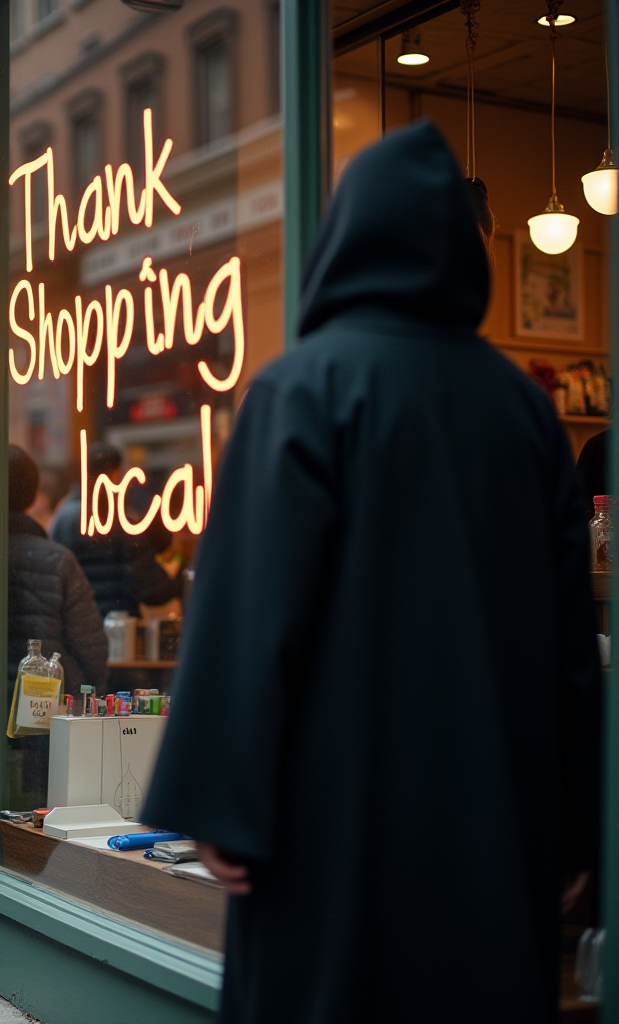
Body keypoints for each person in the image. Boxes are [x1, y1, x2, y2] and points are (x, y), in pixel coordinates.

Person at [144, 122, 601, 1024]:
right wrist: (577, 827)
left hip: (327, 829)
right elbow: (568, 648)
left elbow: (245, 610)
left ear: (344, 239)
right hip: (490, 824)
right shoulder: (527, 414)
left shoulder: (299, 389)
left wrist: (217, 799)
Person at [8, 445, 107, 805]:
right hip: (47, 718)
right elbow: (91, 645)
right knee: (39, 806)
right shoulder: (58, 560)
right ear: (35, 495)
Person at [51, 443, 182, 616]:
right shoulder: (121, 521)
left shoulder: (62, 517)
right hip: (118, 626)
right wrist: (182, 578)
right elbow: (151, 588)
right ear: (115, 473)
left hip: (77, 624)